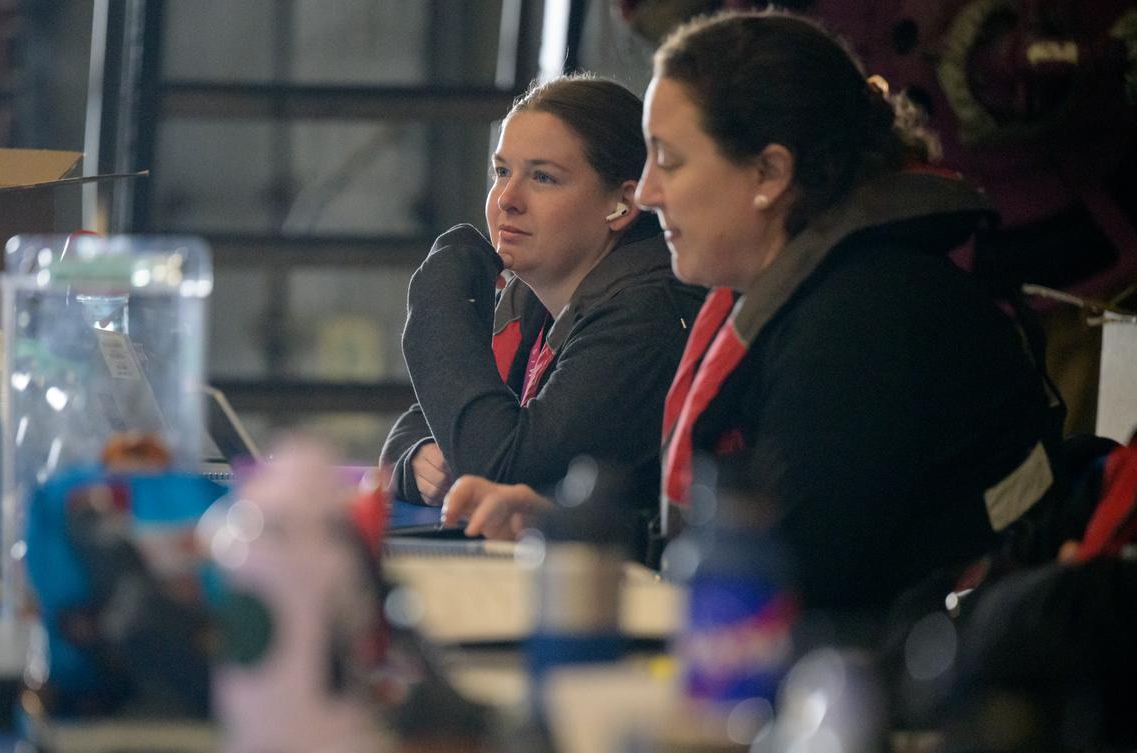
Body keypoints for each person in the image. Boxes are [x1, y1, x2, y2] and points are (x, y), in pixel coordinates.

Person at [444, 10, 1057, 612]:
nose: (650, 193)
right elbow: (766, 548)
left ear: (769, 172)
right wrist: (576, 531)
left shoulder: (865, 320)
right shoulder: (812, 291)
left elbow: (800, 593)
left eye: (670, 160)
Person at [380, 74, 705, 534]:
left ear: (622, 204)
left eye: (543, 177)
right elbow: (432, 417)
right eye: (502, 172)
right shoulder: (531, 302)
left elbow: (505, 468)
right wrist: (416, 462)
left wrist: (440, 302)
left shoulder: (645, 316)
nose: (507, 200)